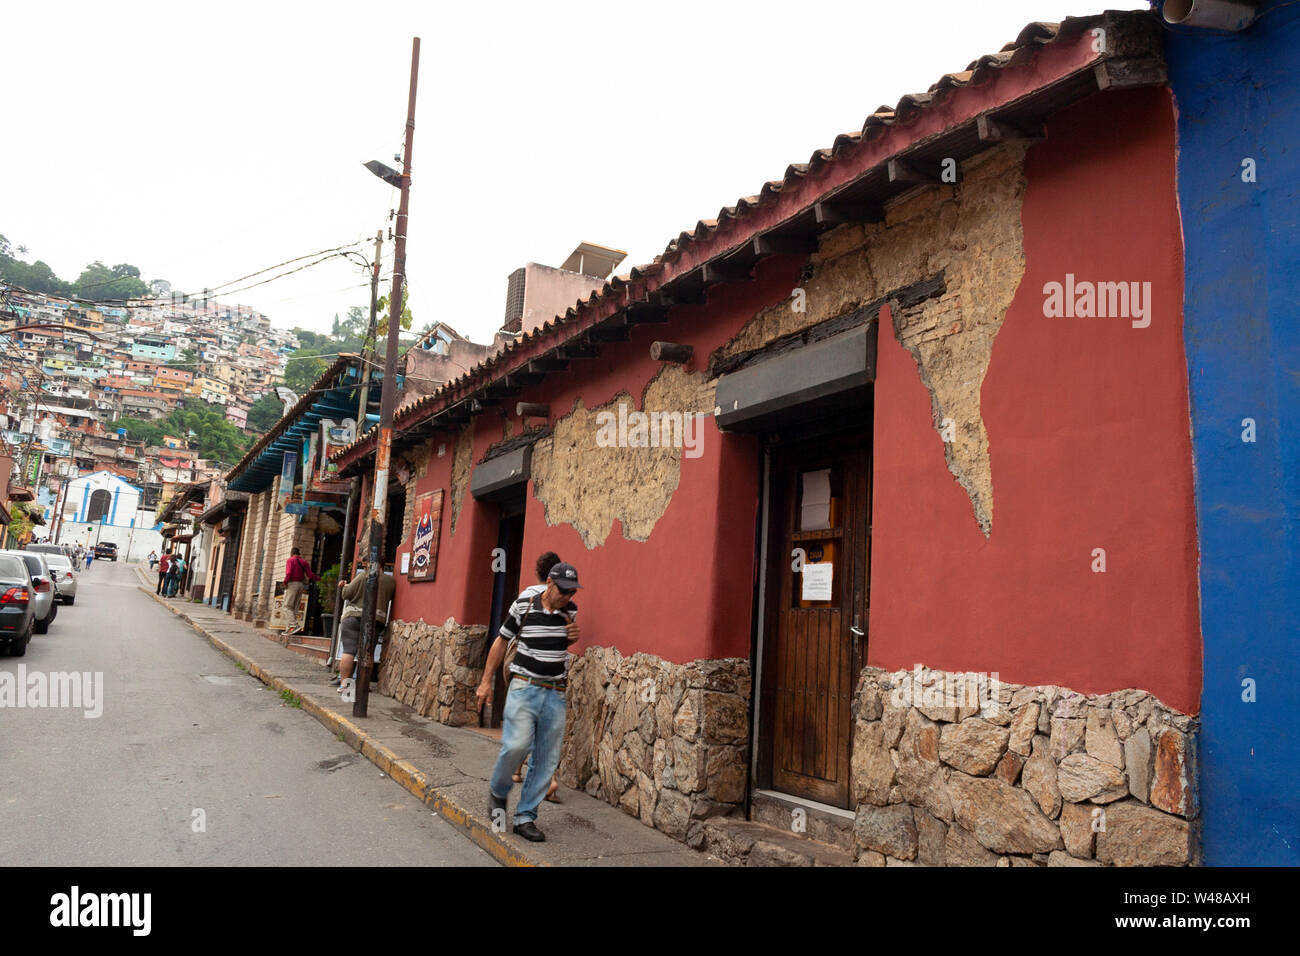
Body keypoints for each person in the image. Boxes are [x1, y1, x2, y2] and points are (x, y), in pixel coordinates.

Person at [477, 561, 582, 842]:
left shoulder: (570, 611)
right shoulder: (523, 604)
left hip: (555, 692)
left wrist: (574, 636)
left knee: (546, 760)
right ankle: (498, 792)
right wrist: (486, 681)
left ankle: (526, 817)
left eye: (572, 592)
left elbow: (561, 642)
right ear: (549, 583)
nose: (568, 597)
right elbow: (501, 641)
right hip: (524, 687)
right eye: (563, 590)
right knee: (516, 745)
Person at [510, 552, 565, 803]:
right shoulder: (563, 601)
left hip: (520, 668)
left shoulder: (525, 596)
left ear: (538, 572)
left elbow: (508, 631)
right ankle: (547, 778)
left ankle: (518, 770)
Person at [335, 564, 396, 697]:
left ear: (369, 564)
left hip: (353, 618)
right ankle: (362, 684)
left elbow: (346, 594)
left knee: (349, 651)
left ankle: (345, 685)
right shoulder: (390, 581)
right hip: (376, 620)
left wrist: (343, 586)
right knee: (368, 652)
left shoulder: (363, 576)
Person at [281, 547, 318, 636]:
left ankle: (294, 625)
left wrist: (285, 582)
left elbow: (289, 573)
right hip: (301, 585)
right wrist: (319, 579)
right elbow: (310, 575)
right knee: (294, 608)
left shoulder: (290, 560)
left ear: (291, 553)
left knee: (286, 606)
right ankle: (289, 629)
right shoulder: (304, 562)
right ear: (299, 553)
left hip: (292, 584)